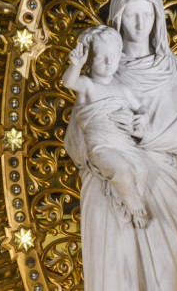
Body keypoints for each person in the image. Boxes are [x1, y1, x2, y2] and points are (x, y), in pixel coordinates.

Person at [64, 0, 177, 290]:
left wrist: (144, 130)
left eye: (147, 15)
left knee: (164, 272)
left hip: (159, 179)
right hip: (107, 179)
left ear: (158, 17)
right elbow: (75, 136)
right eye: (132, 15)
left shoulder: (173, 69)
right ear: (118, 17)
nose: (140, 24)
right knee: (115, 270)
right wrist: (101, 139)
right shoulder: (102, 67)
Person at [62, 25, 149, 229]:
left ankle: (123, 203)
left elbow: (142, 108)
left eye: (113, 56)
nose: (110, 63)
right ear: (89, 61)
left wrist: (142, 119)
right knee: (121, 168)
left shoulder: (122, 88)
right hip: (101, 146)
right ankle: (135, 206)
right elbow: (68, 82)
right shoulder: (87, 86)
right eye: (102, 58)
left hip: (125, 144)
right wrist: (75, 65)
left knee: (142, 169)